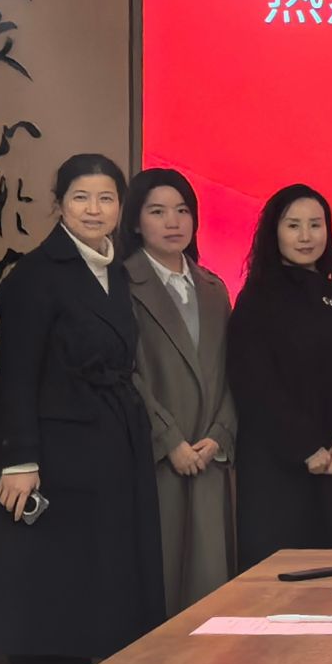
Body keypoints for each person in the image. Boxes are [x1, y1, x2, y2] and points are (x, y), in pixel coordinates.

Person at [0, 154, 164, 664]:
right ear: (59, 204)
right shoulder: (35, 275)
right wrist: (19, 459)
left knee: (112, 580)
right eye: (81, 198)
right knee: (62, 590)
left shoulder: (116, 271)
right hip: (61, 452)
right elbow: (16, 374)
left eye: (106, 198)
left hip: (114, 441)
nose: (94, 209)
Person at [229, 184, 332, 565]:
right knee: (279, 582)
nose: (306, 236)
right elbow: (254, 384)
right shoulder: (256, 299)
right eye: (293, 225)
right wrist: (305, 447)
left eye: (315, 224)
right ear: (274, 232)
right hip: (277, 469)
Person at [121, 169, 236, 613]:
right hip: (157, 456)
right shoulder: (121, 283)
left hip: (209, 455)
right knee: (160, 588)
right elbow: (124, 372)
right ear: (135, 222)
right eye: (157, 211)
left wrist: (220, 435)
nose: (173, 222)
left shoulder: (214, 288)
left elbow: (234, 371)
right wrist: (168, 439)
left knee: (211, 593)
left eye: (183, 210)